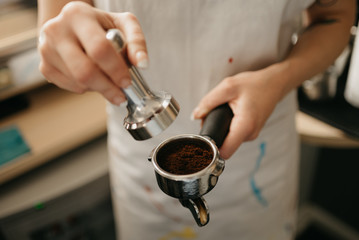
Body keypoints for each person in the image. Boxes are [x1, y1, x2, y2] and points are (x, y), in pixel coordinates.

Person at [37, 0, 356, 239]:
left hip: (258, 162)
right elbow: (57, 23)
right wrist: (61, 41)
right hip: (143, 174)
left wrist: (279, 80)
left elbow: (335, 16)